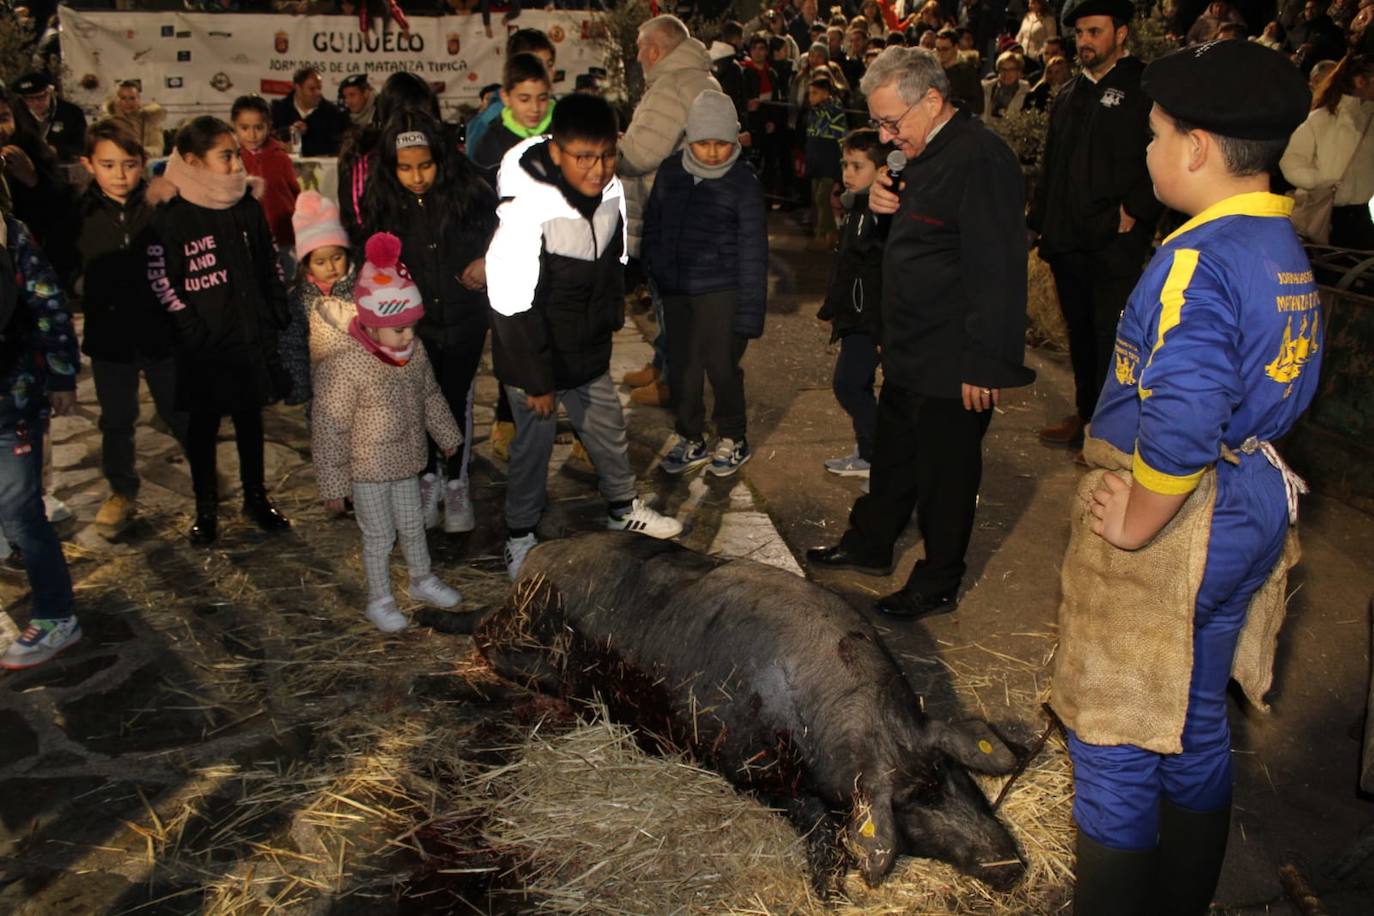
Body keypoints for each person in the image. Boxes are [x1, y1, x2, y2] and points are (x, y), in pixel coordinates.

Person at [1051, 40, 1318, 915]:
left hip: (1183, 512)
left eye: (1157, 135)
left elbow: (1188, 407)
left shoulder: (1196, 260)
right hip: (1251, 498)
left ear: (1198, 148)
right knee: (1193, 716)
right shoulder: (1276, 239)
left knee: (1119, 733)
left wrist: (1137, 517)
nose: (1148, 151)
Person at [805, 47, 1034, 619]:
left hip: (955, 356)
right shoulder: (915, 155)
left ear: (932, 101)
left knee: (944, 475)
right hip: (909, 343)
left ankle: (938, 578)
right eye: (878, 123)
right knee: (894, 454)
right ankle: (871, 542)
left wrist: (986, 362)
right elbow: (913, 247)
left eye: (891, 123)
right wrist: (881, 207)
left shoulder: (982, 160)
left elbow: (999, 270)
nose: (885, 137)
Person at [486, 94, 684, 579]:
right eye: (584, 158)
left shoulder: (610, 191)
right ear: (556, 151)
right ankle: (519, 535)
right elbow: (512, 305)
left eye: (607, 155)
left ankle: (622, 508)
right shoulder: (527, 209)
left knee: (607, 434)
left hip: (586, 348)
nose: (598, 169)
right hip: (535, 359)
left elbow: (610, 259)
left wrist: (612, 313)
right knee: (532, 452)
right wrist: (536, 380)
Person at [144, 116, 293, 546]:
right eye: (225, 157)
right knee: (203, 428)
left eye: (236, 156)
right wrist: (190, 328)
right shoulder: (174, 216)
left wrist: (275, 310)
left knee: (250, 420)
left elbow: (267, 259)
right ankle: (206, 507)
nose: (235, 165)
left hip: (247, 337)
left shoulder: (245, 205)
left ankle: (256, 497)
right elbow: (161, 280)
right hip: (204, 346)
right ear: (193, 161)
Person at [311, 232, 464, 633]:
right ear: (373, 325)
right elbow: (330, 425)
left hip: (408, 460)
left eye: (413, 327)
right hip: (367, 470)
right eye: (399, 330)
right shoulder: (347, 364)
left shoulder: (413, 355)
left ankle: (420, 579)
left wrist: (447, 434)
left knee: (414, 526)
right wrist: (333, 482)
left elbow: (430, 394)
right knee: (379, 536)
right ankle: (379, 599)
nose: (409, 337)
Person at [1029, 0, 1162, 451]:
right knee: (1081, 333)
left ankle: (1111, 433)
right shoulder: (1069, 92)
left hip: (1114, 241)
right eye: (1080, 33)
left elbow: (1163, 152)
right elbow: (1051, 164)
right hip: (1067, 238)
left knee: (1113, 337)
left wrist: (1135, 210)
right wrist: (1038, 223)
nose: (1084, 41)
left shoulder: (1144, 86)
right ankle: (1086, 416)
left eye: (1094, 31)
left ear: (1120, 33)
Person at [360, 111, 496, 535]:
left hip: (464, 318)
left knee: (455, 402)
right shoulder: (383, 204)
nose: (417, 177)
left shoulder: (470, 193)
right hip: (412, 328)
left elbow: (502, 232)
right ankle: (426, 478)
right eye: (406, 168)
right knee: (415, 403)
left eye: (425, 165)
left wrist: (486, 261)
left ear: (441, 159)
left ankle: (456, 481)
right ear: (391, 168)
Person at [644, 90, 767, 478]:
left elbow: (753, 251)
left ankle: (733, 435)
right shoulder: (671, 171)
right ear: (688, 138)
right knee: (683, 367)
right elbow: (655, 227)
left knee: (722, 365)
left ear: (733, 141)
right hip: (679, 290)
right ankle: (691, 435)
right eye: (703, 143)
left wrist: (749, 314)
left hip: (723, 290)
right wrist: (655, 273)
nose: (712, 152)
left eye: (721, 143)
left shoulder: (743, 182)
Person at [78, 120, 187, 537]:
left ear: (143, 163)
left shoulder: (162, 206)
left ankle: (206, 486)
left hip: (161, 332)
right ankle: (122, 490)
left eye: (129, 164)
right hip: (110, 339)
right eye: (108, 164)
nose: (120, 174)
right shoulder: (80, 212)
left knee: (179, 410)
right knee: (117, 419)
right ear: (90, 165)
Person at [618, 15, 722, 408]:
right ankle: (662, 365)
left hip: (673, 210)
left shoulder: (673, 85)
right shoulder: (694, 77)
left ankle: (672, 381)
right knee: (669, 298)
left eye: (640, 48)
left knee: (671, 302)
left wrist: (608, 155)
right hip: (690, 208)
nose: (638, 56)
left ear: (656, 49)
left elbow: (643, 153)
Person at [0, 213, 81, 670]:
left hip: (10, 398)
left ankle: (56, 614)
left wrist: (61, 372)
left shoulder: (10, 234)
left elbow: (47, 304)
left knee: (20, 514)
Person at [817, 128, 891, 481]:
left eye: (857, 166)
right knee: (853, 384)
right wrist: (833, 306)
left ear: (881, 171)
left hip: (871, 321)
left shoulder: (880, 214)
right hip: (857, 317)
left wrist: (880, 327)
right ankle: (871, 452)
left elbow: (879, 275)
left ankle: (877, 456)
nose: (847, 172)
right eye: (845, 163)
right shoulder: (857, 206)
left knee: (849, 385)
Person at [1281, 53, 1374, 249]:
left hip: (1362, 214)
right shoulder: (1322, 118)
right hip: (1325, 208)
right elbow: (1292, 159)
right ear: (1360, 81)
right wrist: (1318, 180)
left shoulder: (1369, 120)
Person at [277, 190, 355, 410]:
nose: (331, 268)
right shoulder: (301, 299)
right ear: (307, 264)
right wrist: (299, 386)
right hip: (322, 390)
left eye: (337, 258)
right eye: (320, 262)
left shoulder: (361, 289)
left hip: (364, 388)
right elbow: (293, 344)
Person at [232, 95, 301, 271]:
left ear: (268, 125)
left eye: (258, 127)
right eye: (244, 128)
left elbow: (294, 192)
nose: (252, 135)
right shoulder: (231, 159)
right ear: (234, 126)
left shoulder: (280, 156)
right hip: (246, 238)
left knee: (288, 280)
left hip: (283, 235)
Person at [465, 29, 557, 156]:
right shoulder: (489, 121)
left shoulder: (561, 114)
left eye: (550, 64)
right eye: (536, 66)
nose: (548, 73)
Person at [470, 53, 554, 184]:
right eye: (524, 99)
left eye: (542, 98)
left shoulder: (564, 130)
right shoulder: (490, 142)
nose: (535, 108)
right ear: (505, 97)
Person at [805, 76, 847, 250]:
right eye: (810, 93)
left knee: (823, 197)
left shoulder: (834, 111)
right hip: (816, 159)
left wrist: (845, 161)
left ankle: (824, 235)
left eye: (814, 93)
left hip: (830, 160)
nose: (810, 97)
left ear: (825, 93)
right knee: (816, 196)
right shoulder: (813, 112)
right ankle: (827, 233)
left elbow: (842, 137)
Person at [270, 67, 347, 158]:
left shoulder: (333, 114)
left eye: (319, 88)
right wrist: (287, 134)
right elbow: (267, 139)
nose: (318, 93)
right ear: (298, 88)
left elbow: (340, 148)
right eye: (312, 89)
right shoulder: (278, 109)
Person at [12, 72, 85, 163]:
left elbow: (82, 146)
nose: (36, 103)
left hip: (62, 167)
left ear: (50, 91)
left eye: (40, 97)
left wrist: (56, 150)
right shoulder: (15, 112)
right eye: (29, 99)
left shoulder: (71, 112)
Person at [104, 80, 165, 159]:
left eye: (132, 98)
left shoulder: (150, 120)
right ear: (117, 100)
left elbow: (158, 150)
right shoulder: (107, 123)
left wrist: (139, 150)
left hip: (141, 166)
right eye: (123, 98)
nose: (128, 102)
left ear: (138, 99)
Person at [934, 28, 984, 114]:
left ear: (956, 47)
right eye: (938, 49)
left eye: (945, 49)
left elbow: (978, 106)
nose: (941, 53)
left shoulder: (969, 72)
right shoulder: (933, 71)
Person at [1289, 0, 1347, 73]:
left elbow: (1339, 53)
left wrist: (1315, 49)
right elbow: (1286, 48)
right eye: (1307, 9)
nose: (1309, 11)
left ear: (1321, 9)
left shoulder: (1332, 30)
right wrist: (1291, 56)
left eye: (1313, 8)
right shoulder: (1298, 30)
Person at [983, 49, 1032, 118]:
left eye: (1011, 69)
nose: (1006, 73)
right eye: (1003, 69)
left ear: (1019, 72)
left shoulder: (1027, 93)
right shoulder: (985, 88)